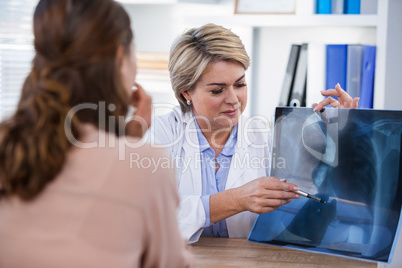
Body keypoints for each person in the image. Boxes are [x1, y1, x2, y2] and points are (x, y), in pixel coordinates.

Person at [0, 0, 193, 267]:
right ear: (119, 58)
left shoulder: (8, 144)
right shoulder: (147, 163)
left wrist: (129, 142)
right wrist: (131, 147)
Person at [146, 23, 359, 243]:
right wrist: (235, 200)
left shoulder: (265, 139)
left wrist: (344, 135)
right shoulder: (159, 135)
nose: (233, 99)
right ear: (186, 91)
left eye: (240, 85)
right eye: (217, 90)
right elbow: (145, 219)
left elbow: (324, 203)